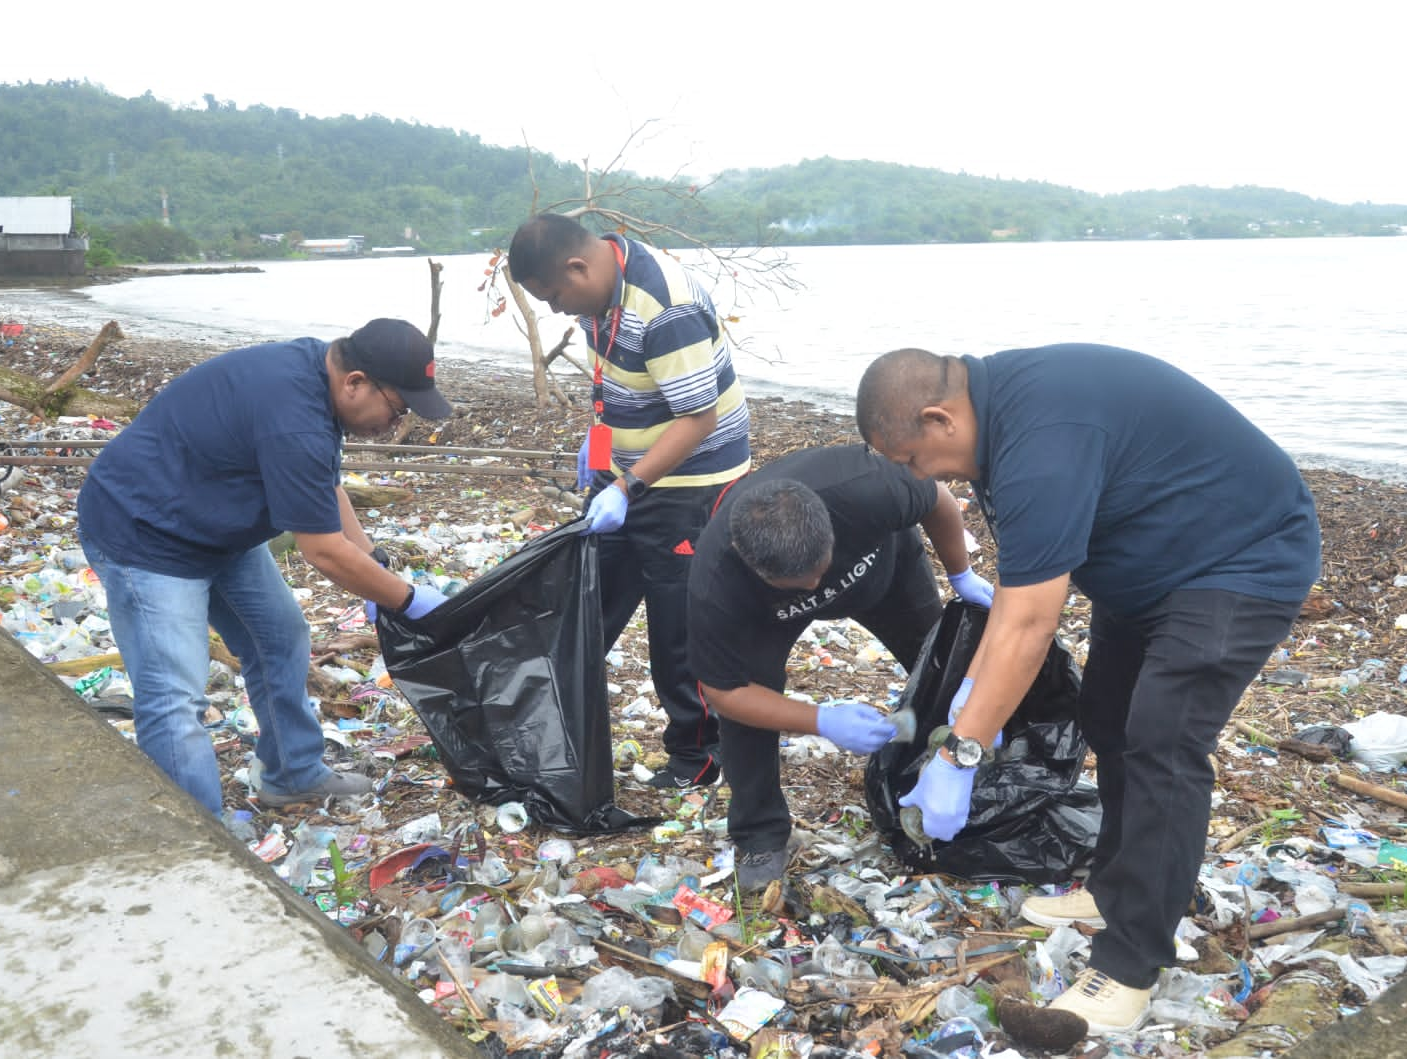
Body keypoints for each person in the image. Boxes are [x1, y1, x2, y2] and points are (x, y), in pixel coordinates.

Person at [856, 344, 1320, 1034]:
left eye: (912, 460)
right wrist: (969, 699)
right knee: (1106, 714)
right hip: (1153, 564)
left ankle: (1131, 962)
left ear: (939, 418)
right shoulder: (998, 417)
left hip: (1240, 559)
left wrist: (960, 756)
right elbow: (1017, 592)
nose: (919, 478)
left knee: (1163, 738)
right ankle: (1115, 887)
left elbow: (1034, 624)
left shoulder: (1042, 440)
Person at [77, 319, 455, 816]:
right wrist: (408, 600)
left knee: (279, 638)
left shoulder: (318, 376)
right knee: (175, 699)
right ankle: (203, 842)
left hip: (216, 530)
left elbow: (323, 487)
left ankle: (291, 773)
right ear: (356, 382)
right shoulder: (295, 413)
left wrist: (374, 563)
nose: (395, 422)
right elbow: (321, 550)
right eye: (397, 407)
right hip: (145, 534)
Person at [507, 213, 751, 789]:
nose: (557, 311)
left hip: (694, 484)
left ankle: (700, 758)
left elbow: (697, 419)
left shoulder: (665, 307)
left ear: (578, 266)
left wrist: (625, 487)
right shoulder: (600, 297)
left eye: (556, 297)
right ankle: (552, 731)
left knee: (677, 629)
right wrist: (597, 461)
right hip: (628, 477)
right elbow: (605, 389)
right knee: (591, 604)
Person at [686, 444, 994, 892]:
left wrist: (960, 572)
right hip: (769, 618)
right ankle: (760, 834)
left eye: (820, 569)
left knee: (941, 667)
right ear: (748, 562)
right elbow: (723, 691)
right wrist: (820, 720)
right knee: (747, 712)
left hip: (888, 575)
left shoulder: (869, 487)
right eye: (800, 582)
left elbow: (938, 499)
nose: (816, 586)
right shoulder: (717, 584)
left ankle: (968, 772)